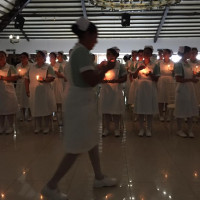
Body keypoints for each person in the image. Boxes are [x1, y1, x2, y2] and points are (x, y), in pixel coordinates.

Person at [41, 17, 117, 200]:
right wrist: (107, 69)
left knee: (90, 140)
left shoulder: (76, 51)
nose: (96, 41)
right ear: (88, 34)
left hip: (80, 101)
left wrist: (99, 70)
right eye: (95, 37)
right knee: (76, 147)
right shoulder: (81, 52)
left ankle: (98, 177)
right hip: (80, 104)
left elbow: (86, 76)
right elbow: (90, 80)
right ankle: (51, 186)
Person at [24, 50, 56, 134]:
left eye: (39, 56)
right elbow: (26, 79)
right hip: (34, 92)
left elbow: (52, 78)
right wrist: (27, 90)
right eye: (36, 56)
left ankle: (46, 126)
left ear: (44, 58)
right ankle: (37, 126)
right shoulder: (31, 67)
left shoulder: (48, 67)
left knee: (45, 108)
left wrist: (44, 79)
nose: (37, 58)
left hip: (45, 92)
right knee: (35, 109)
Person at [99, 47, 127, 137]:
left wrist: (116, 81)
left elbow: (124, 78)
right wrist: (102, 79)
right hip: (106, 90)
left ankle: (116, 129)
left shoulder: (120, 66)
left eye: (110, 54)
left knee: (116, 110)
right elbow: (98, 76)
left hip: (115, 91)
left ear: (115, 55)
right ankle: (106, 128)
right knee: (106, 110)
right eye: (107, 54)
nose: (109, 56)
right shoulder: (104, 65)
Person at [132, 46, 160, 137]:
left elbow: (156, 78)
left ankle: (148, 129)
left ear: (151, 54)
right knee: (141, 108)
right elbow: (134, 76)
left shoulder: (155, 65)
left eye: (148, 53)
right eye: (144, 53)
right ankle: (141, 128)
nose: (146, 55)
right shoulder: (138, 64)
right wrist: (138, 70)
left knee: (149, 108)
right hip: (140, 87)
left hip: (150, 87)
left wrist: (151, 74)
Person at [174, 46, 199, 138]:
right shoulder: (179, 64)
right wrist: (192, 80)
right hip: (182, 88)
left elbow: (190, 75)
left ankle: (190, 129)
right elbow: (178, 79)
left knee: (190, 108)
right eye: (189, 52)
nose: (190, 54)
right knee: (181, 108)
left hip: (190, 88)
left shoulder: (187, 63)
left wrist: (195, 75)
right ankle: (179, 129)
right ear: (185, 53)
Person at [0, 51, 18, 134]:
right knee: (1, 110)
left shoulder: (10, 67)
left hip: (8, 91)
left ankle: (10, 126)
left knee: (9, 110)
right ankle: (1, 126)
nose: (0, 58)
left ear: (5, 57)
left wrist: (3, 78)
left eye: (2, 56)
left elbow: (14, 78)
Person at [157, 49, 174, 121]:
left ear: (170, 54)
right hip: (161, 80)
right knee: (161, 98)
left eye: (167, 53)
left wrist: (172, 71)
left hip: (170, 80)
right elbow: (157, 72)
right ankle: (161, 115)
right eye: (164, 53)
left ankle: (167, 115)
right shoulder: (159, 63)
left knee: (168, 98)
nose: (165, 54)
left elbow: (175, 73)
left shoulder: (173, 63)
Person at [49, 52, 65, 126]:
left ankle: (60, 119)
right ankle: (53, 116)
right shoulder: (48, 66)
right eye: (50, 57)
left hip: (58, 84)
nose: (51, 58)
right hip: (50, 85)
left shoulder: (59, 66)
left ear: (55, 58)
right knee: (52, 102)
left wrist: (56, 72)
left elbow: (63, 76)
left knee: (59, 102)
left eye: (52, 57)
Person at [16, 52, 32, 121]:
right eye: (21, 57)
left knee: (28, 100)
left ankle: (29, 115)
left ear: (27, 58)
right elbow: (15, 75)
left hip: (28, 84)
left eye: (24, 57)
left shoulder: (31, 66)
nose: (22, 59)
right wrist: (18, 76)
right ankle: (22, 115)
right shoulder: (18, 66)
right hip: (20, 84)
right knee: (21, 100)